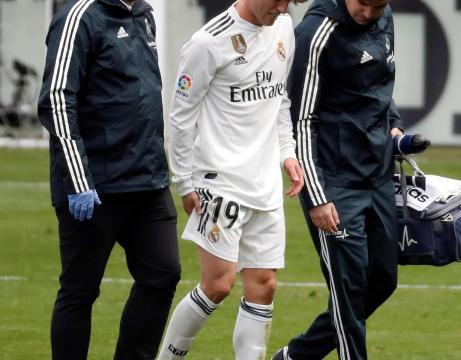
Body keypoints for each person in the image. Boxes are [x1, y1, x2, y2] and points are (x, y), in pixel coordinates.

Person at [156, 0, 305, 358]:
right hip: (219, 181)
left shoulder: (283, 26)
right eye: (277, 0)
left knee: (264, 286)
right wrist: (184, 182)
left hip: (265, 183)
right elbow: (180, 115)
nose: (283, 8)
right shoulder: (208, 42)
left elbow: (279, 97)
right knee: (217, 285)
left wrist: (287, 152)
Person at [37, 0, 181, 359]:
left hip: (147, 181)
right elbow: (56, 99)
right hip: (94, 186)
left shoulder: (143, 14)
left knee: (163, 274)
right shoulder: (78, 17)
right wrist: (78, 178)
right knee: (80, 290)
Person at [272, 0, 402, 359]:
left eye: (378, 6)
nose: (369, 14)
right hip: (335, 183)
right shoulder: (315, 34)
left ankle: (296, 356)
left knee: (383, 281)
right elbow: (300, 121)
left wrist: (394, 124)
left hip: (377, 175)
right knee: (348, 293)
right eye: (364, 4)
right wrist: (317, 197)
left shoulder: (383, 17)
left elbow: (380, 86)